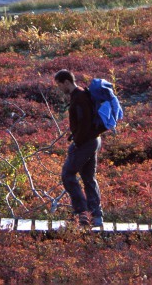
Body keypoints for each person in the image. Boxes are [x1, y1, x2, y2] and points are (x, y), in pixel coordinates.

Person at [54, 69, 104, 228]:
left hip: (86, 143)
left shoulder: (79, 97)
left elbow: (83, 122)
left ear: (66, 82)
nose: (60, 89)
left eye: (60, 85)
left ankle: (82, 212)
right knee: (89, 178)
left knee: (68, 174)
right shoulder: (82, 94)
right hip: (93, 140)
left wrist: (77, 142)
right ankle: (96, 216)